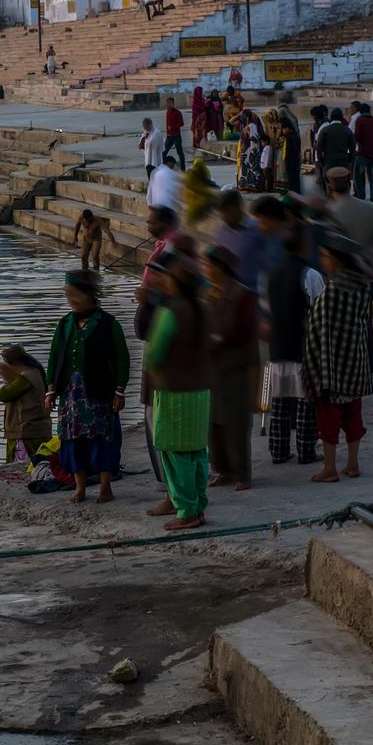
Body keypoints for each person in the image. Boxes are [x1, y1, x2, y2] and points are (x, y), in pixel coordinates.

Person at [143, 251, 213, 529]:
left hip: (175, 394)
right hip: (200, 392)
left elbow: (155, 355)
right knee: (196, 452)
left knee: (175, 454)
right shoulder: (201, 307)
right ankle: (197, 506)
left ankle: (186, 511)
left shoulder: (170, 312)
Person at [48, 269, 130, 504]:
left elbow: (121, 358)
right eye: (67, 294)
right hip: (71, 394)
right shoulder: (65, 324)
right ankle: (80, 487)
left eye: (73, 293)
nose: (69, 298)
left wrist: (119, 389)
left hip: (99, 391)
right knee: (72, 440)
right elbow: (55, 357)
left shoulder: (107, 323)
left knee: (102, 437)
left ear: (88, 294)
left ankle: (105, 487)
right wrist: (51, 389)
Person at [255, 196, 321, 465]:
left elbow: (265, 309)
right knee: (305, 404)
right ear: (303, 246)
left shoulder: (270, 275)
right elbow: (319, 309)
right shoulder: (310, 275)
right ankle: (306, 451)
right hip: (302, 347)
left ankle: (278, 451)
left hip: (277, 346)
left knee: (280, 403)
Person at [305, 234, 373, 482]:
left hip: (331, 365)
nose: (323, 261)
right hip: (354, 362)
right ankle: (353, 464)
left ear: (337, 259)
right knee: (353, 415)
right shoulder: (362, 285)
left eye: (325, 256)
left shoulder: (332, 291)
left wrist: (316, 370)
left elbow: (318, 330)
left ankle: (330, 468)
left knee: (329, 419)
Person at [203, 244, 259, 490]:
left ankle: (242, 474)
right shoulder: (209, 295)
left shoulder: (241, 295)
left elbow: (243, 331)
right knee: (214, 425)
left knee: (235, 424)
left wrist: (219, 338)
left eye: (209, 266)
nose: (206, 270)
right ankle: (223, 470)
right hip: (213, 369)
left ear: (220, 268)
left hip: (236, 367)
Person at [323, 167, 373, 285]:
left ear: (329, 187)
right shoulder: (369, 208)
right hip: (366, 277)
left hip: (339, 282)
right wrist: (367, 259)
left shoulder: (329, 213)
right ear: (349, 184)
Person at [0, 345, 52, 465]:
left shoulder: (25, 378)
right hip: (37, 429)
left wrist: (7, 379)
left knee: (23, 467)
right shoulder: (36, 372)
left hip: (26, 432)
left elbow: (4, 395)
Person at [210, 188, 270, 295]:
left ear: (238, 207)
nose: (224, 217)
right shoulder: (221, 230)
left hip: (254, 291)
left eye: (227, 212)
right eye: (221, 213)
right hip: (230, 292)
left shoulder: (257, 229)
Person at [350, 101, 373, 202]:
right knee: (372, 177)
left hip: (362, 153)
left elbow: (356, 137)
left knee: (358, 176)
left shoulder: (360, 121)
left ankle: (361, 196)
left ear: (360, 112)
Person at [315, 108, 355, 186]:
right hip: (343, 162)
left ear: (331, 117)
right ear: (341, 118)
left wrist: (321, 161)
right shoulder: (348, 131)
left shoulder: (324, 130)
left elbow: (319, 148)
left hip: (329, 162)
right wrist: (348, 159)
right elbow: (352, 149)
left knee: (328, 185)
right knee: (344, 186)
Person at [237, 110, 267, 192]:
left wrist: (251, 152)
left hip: (251, 151)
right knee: (246, 169)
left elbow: (254, 140)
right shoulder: (246, 125)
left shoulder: (252, 125)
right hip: (247, 151)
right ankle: (245, 185)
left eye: (243, 116)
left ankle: (254, 185)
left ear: (246, 117)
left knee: (253, 169)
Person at [162, 96, 187, 166]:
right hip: (169, 136)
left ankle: (183, 168)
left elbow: (181, 123)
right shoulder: (167, 112)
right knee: (164, 152)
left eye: (170, 103)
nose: (169, 104)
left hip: (176, 136)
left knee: (180, 153)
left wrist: (173, 127)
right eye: (168, 103)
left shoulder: (177, 112)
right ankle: (164, 166)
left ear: (173, 103)